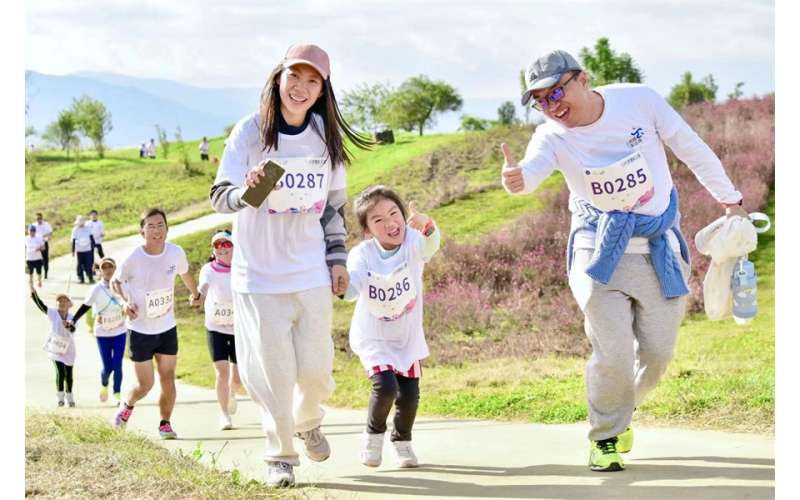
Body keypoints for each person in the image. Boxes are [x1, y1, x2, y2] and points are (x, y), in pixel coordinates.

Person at [502, 49, 749, 472]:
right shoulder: (551, 136)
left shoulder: (639, 101)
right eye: (540, 101)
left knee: (657, 356)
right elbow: (531, 173)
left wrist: (732, 202)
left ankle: (622, 411)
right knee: (613, 351)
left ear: (582, 79)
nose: (551, 107)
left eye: (556, 92)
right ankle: (605, 437)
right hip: (595, 253)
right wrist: (516, 179)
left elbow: (692, 148)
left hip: (657, 248)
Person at [208, 43, 373, 487]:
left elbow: (332, 207)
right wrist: (250, 192)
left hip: (309, 272)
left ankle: (308, 419)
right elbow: (220, 196)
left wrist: (337, 259)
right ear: (279, 78)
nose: (301, 87)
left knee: (317, 370)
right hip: (259, 278)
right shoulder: (250, 132)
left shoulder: (325, 136)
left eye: (312, 81)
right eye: (294, 77)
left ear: (322, 90)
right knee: (273, 374)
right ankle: (280, 456)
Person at [342, 186, 440, 469]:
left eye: (393, 213)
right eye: (378, 220)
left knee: (409, 396)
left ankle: (402, 442)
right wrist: (341, 286)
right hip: (374, 335)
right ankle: (373, 435)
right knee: (385, 387)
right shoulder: (362, 254)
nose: (389, 223)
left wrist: (428, 226)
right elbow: (352, 287)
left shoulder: (412, 241)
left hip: (406, 335)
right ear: (368, 230)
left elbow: (430, 245)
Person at [109, 208, 203, 439]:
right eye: (150, 226)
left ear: (167, 229)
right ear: (142, 232)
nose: (156, 230)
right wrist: (123, 304)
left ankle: (165, 424)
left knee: (167, 378)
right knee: (145, 385)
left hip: (166, 328)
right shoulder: (134, 257)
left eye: (160, 225)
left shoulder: (175, 253)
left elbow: (186, 273)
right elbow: (114, 282)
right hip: (140, 330)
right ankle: (126, 406)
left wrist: (196, 294)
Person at [196, 230, 242, 430]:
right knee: (221, 373)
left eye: (226, 244)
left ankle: (232, 392)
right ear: (213, 250)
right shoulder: (209, 269)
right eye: (218, 245)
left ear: (234, 247)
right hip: (215, 327)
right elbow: (204, 284)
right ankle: (224, 414)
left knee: (237, 379)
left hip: (239, 328)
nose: (222, 248)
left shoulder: (242, 268)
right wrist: (199, 294)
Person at [67, 258, 129, 406]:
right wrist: (73, 320)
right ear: (100, 271)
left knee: (117, 364)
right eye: (104, 268)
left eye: (111, 267)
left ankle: (117, 393)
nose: (108, 270)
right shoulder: (96, 289)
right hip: (102, 332)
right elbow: (85, 306)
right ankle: (104, 384)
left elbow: (134, 301)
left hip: (120, 330)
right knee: (108, 367)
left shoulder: (123, 287)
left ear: (115, 269)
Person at [30, 285, 77, 407]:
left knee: (69, 373)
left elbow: (73, 330)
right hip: (56, 348)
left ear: (70, 304)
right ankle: (60, 398)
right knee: (60, 371)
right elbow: (41, 306)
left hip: (69, 349)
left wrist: (68, 326)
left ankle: (70, 397)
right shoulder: (52, 313)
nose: (62, 303)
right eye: (59, 301)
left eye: (65, 301)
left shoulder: (72, 317)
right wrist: (34, 294)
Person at [71, 215, 96, 284]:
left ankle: (90, 277)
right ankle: (80, 277)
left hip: (87, 249)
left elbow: (91, 237)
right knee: (80, 264)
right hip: (79, 250)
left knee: (88, 263)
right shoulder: (75, 230)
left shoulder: (87, 228)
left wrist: (95, 246)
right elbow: (73, 240)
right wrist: (73, 250)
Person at [32, 213, 53, 278]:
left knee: (45, 258)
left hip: (44, 242)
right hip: (37, 244)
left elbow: (50, 232)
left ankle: (46, 272)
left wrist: (48, 236)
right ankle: (38, 273)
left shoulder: (46, 225)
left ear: (42, 218)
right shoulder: (34, 225)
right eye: (37, 219)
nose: (38, 220)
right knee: (37, 259)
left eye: (40, 218)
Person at [25, 225, 45, 289]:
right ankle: (31, 288)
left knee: (39, 273)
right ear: (28, 231)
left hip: (38, 258)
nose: (32, 232)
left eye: (33, 231)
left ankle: (39, 280)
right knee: (30, 274)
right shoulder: (26, 239)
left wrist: (39, 249)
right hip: (29, 259)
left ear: (35, 231)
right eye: (31, 231)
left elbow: (43, 247)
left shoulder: (39, 238)